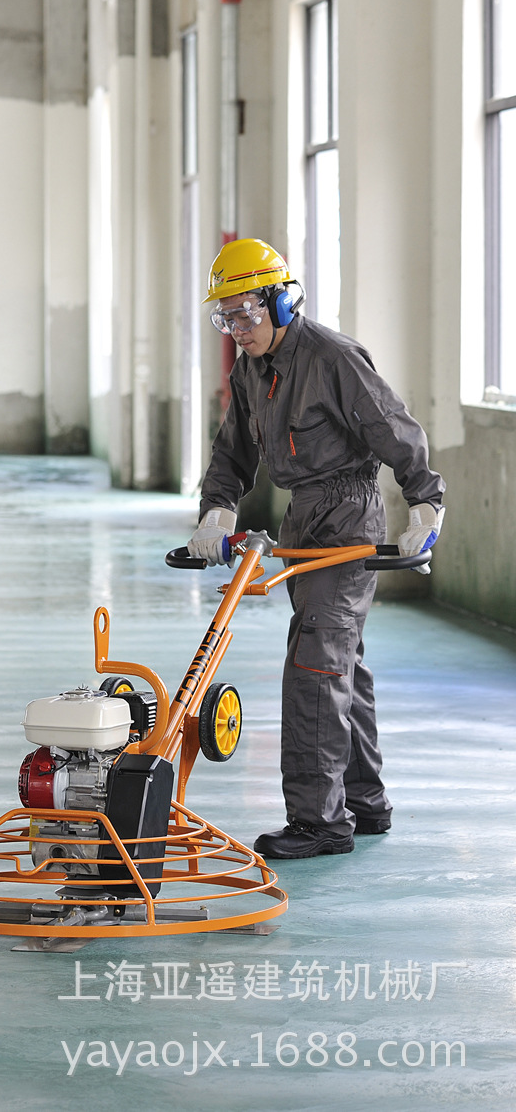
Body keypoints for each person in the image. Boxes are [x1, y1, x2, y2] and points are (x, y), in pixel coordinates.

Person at [188, 239, 445, 859]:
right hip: (303, 514)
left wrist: (426, 503)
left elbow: (394, 428)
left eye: (247, 311)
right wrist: (216, 509)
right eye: (226, 316)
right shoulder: (249, 368)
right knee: (339, 661)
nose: (238, 328)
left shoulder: (333, 358)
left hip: (349, 514)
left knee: (314, 662)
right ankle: (365, 802)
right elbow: (233, 452)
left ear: (280, 302)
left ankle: (318, 822)